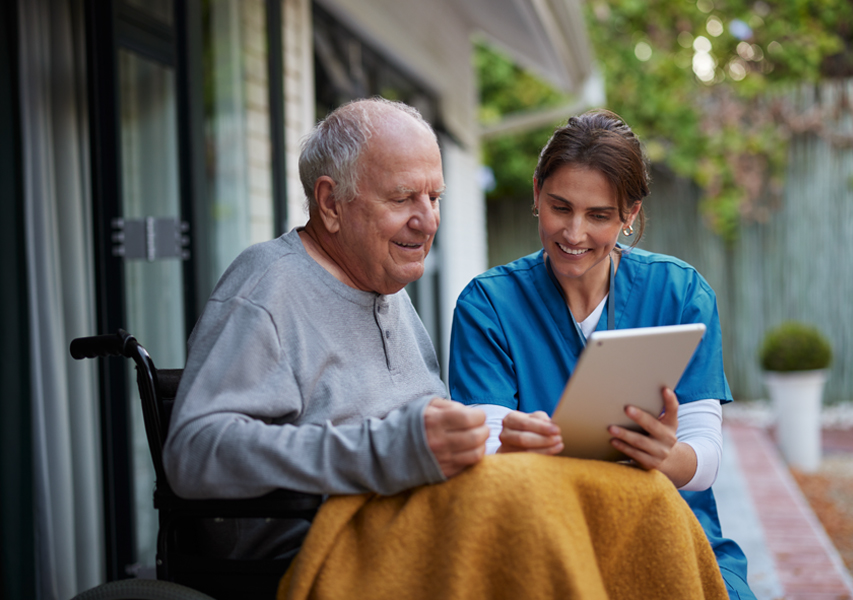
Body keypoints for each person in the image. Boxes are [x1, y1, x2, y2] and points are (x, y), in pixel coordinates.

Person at [162, 97, 490, 559]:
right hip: (324, 553)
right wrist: (382, 452)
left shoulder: (384, 281)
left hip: (416, 525)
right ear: (330, 203)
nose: (428, 220)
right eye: (402, 198)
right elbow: (194, 453)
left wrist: (487, 436)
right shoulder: (266, 288)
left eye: (434, 198)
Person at [448, 109, 756, 599]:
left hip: (665, 526)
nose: (573, 234)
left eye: (599, 216)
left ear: (629, 216)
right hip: (540, 531)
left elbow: (706, 458)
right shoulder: (488, 305)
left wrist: (668, 456)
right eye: (560, 207)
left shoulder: (679, 293)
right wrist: (506, 447)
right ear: (536, 193)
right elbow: (481, 449)